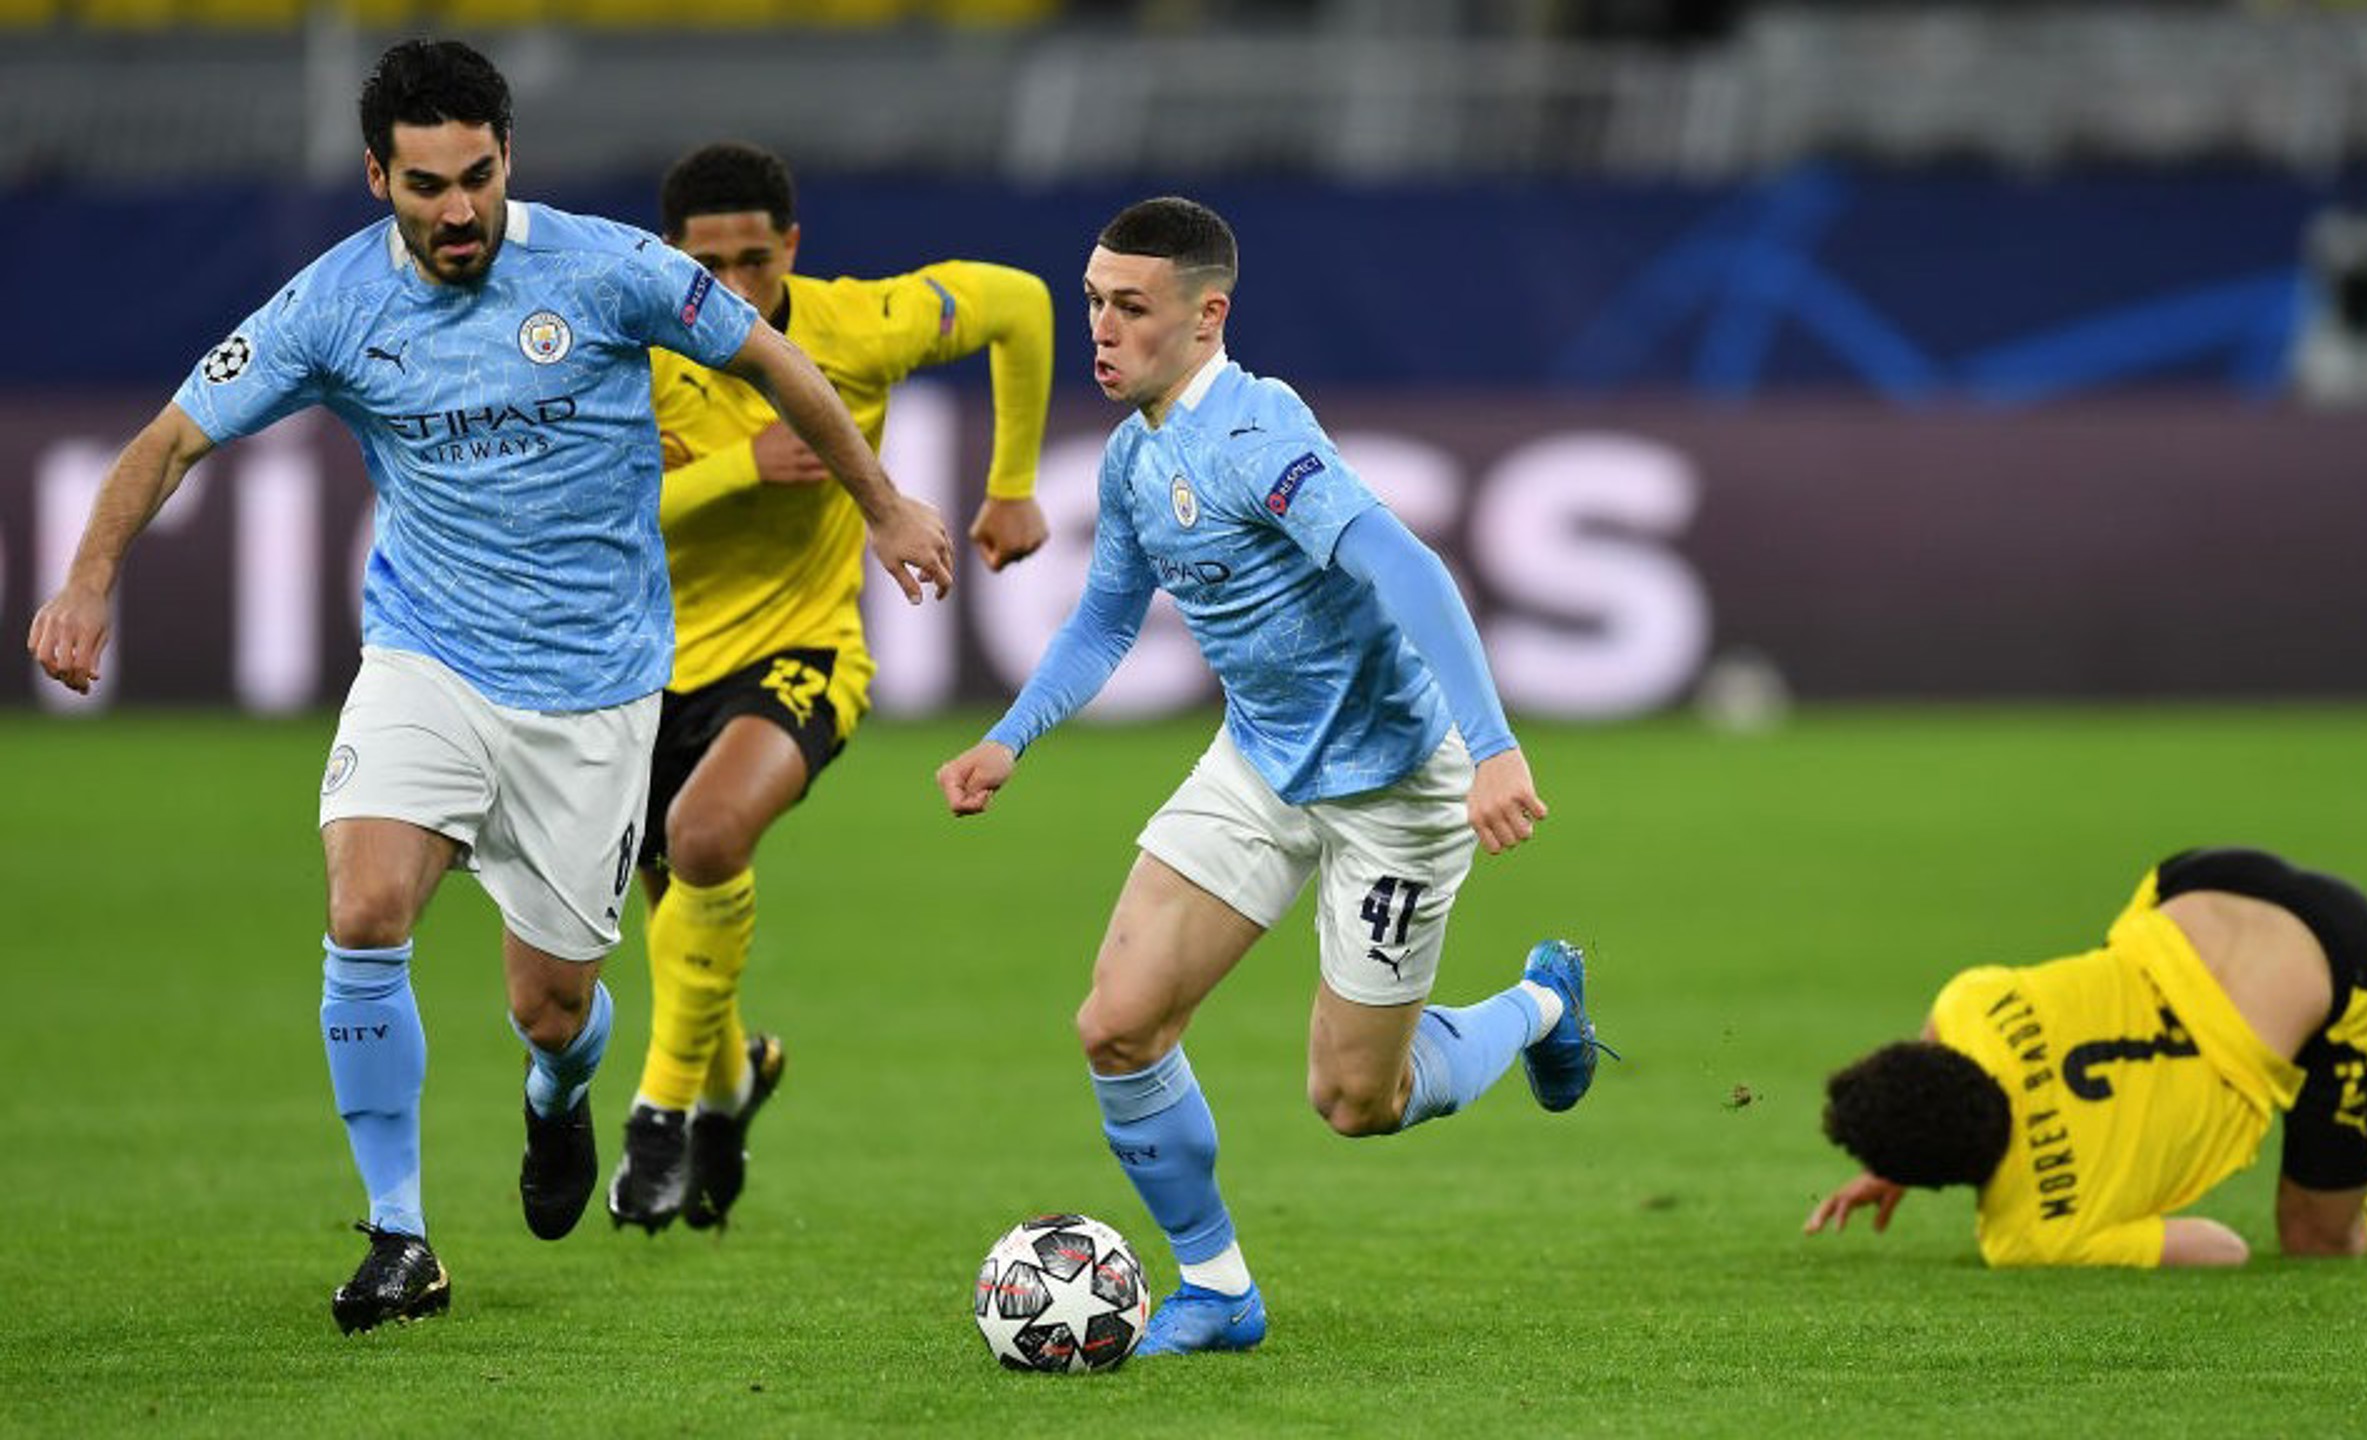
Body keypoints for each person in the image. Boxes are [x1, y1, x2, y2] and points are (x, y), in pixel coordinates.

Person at [24, 40, 953, 1335]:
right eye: (426, 185)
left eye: (477, 177)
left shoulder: (604, 268)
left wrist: (886, 503)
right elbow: (173, 437)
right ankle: (398, 1236)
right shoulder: (333, 304)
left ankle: (558, 1094)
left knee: (551, 1007)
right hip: (428, 659)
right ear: (377, 177)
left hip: (595, 694)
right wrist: (87, 581)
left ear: (508, 157)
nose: (457, 209)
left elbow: (772, 361)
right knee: (364, 911)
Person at [935, 195, 1608, 1358]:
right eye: (1092, 301)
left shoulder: (1257, 437)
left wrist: (1493, 746)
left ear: (1208, 317)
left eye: (1130, 306)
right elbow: (1104, 620)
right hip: (1257, 763)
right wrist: (1010, 737)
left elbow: (1406, 565)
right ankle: (1217, 1290)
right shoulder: (1135, 456)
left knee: (1356, 1102)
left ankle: (1542, 1004)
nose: (1101, 328)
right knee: (1117, 1026)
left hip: (1395, 788)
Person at [607, 141, 1054, 1235]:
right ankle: (729, 1085)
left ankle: (658, 1117)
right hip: (640, 669)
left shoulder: (856, 325)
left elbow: (1022, 304)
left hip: (801, 653)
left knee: (707, 835)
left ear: (792, 247)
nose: (733, 287)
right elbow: (592, 517)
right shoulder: (627, 354)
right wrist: (740, 468)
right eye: (708, 266)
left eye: (755, 261)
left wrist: (1011, 487)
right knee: (675, 915)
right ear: (669, 257)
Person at [1806, 846, 2367, 1268]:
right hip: (2200, 885)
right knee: (2123, 960)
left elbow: (2226, 1248)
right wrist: (1900, 1149)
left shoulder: (2032, 1232)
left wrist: (1908, 1156)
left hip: (2343, 968)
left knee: (2319, 1241)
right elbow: (1933, 1041)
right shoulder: (1969, 1004)